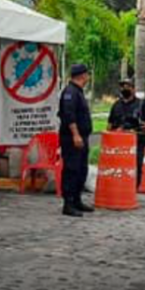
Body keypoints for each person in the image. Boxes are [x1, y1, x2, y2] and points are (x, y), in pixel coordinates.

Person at [58, 64, 94, 218]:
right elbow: (68, 115)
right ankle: (68, 203)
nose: (88, 77)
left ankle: (77, 200)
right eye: (87, 74)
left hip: (81, 137)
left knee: (81, 170)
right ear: (82, 75)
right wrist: (76, 135)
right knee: (71, 170)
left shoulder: (78, 92)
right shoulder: (70, 92)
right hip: (72, 138)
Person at [107, 79, 145, 187]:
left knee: (137, 164)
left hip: (137, 140)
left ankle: (133, 190)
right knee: (120, 166)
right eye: (122, 87)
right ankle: (121, 187)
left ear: (133, 89)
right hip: (120, 143)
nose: (125, 89)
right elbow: (109, 124)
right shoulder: (116, 105)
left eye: (127, 86)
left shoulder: (141, 104)